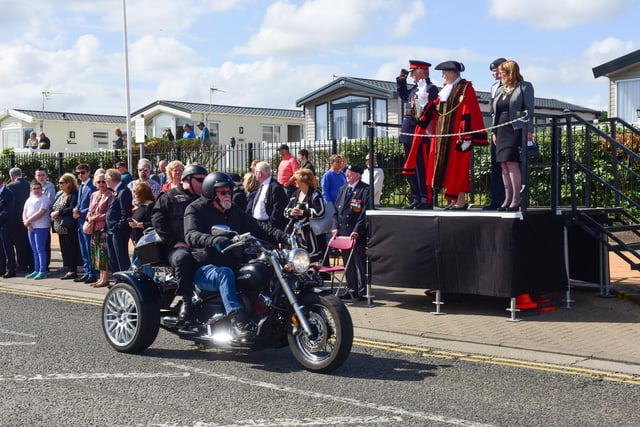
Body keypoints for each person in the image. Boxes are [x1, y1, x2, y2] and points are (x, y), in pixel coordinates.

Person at [184, 172, 288, 343]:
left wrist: (283, 236)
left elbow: (258, 226)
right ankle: (238, 321)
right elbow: (191, 235)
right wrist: (213, 239)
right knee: (224, 273)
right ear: (211, 193)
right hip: (204, 267)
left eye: (229, 192)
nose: (228, 196)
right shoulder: (195, 209)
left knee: (262, 269)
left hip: (233, 263)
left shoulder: (233, 211)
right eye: (222, 192)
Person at [151, 164, 208, 326]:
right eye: (200, 180)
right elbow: (157, 220)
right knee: (183, 259)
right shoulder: (169, 196)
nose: (203, 184)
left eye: (205, 180)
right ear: (187, 179)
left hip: (201, 245)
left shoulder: (204, 200)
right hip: (177, 247)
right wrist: (174, 242)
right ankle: (187, 302)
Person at [429, 61, 488, 210]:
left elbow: (469, 111)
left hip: (459, 137)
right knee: (448, 169)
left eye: (444, 72)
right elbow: (437, 109)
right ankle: (452, 201)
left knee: (459, 170)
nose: (442, 75)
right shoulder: (447, 89)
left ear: (452, 73)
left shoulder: (465, 88)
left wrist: (467, 136)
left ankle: (460, 202)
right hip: (445, 137)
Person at [492, 60, 535, 212]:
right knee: (503, 164)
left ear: (511, 72)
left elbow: (529, 110)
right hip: (501, 129)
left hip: (515, 129)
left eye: (503, 72)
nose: (501, 75)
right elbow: (495, 112)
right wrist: (494, 131)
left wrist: (529, 131)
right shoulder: (500, 90)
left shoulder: (524, 87)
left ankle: (516, 198)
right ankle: (507, 198)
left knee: (512, 163)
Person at [397, 60, 439, 209]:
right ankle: (415, 197)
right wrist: (401, 81)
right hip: (409, 131)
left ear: (422, 71)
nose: (412, 75)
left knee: (422, 167)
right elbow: (403, 96)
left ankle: (425, 198)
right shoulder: (415, 88)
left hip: (420, 132)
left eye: (414, 72)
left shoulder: (431, 88)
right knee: (411, 168)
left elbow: (431, 110)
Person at [332, 164, 370, 301]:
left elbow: (364, 213)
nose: (347, 175)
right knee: (347, 263)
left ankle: (362, 291)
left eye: (350, 172)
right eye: (346, 172)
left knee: (359, 262)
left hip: (356, 233)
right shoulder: (343, 189)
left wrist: (356, 231)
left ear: (358, 175)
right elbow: (336, 211)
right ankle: (351, 289)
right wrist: (335, 227)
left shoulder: (365, 190)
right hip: (343, 231)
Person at [284, 168, 327, 261]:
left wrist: (303, 212)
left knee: (313, 261)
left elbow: (320, 212)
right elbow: (286, 210)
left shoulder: (315, 194)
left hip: (312, 234)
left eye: (297, 180)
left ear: (303, 182)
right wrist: (291, 212)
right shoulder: (295, 193)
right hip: (296, 234)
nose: (295, 182)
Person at [483, 57, 508, 211]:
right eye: (493, 71)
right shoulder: (494, 87)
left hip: (508, 131)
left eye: (496, 70)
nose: (494, 73)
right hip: (496, 129)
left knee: (510, 167)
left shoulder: (514, 85)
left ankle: (511, 199)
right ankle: (497, 199)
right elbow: (493, 111)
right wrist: (493, 130)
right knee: (496, 167)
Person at [84, 169, 113, 288]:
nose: (101, 184)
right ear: (95, 183)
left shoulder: (110, 195)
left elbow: (109, 213)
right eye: (99, 182)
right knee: (96, 254)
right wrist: (89, 218)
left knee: (103, 254)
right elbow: (89, 209)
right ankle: (101, 277)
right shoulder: (94, 195)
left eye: (103, 181)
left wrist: (95, 218)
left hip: (103, 228)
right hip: (93, 228)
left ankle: (105, 278)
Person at [51, 173, 81, 280]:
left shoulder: (73, 194)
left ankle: (72, 270)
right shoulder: (61, 194)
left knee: (71, 248)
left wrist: (59, 212)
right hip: (60, 227)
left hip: (68, 227)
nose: (59, 185)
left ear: (69, 183)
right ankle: (68, 268)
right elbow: (53, 206)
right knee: (65, 249)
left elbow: (71, 208)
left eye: (61, 183)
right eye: (59, 183)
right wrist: (53, 212)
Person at [73, 163, 97, 283]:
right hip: (80, 221)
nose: (80, 175)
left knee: (88, 248)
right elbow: (79, 202)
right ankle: (87, 271)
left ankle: (92, 272)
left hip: (87, 220)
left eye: (83, 172)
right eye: (78, 173)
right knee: (83, 248)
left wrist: (80, 212)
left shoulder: (92, 186)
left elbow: (91, 206)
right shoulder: (81, 186)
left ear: (88, 173)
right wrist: (76, 209)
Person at [22, 181, 51, 280]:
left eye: (38, 188)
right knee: (34, 249)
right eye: (34, 189)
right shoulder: (29, 199)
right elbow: (24, 212)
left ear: (41, 189)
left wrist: (28, 221)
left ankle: (42, 271)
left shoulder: (44, 199)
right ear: (31, 189)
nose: (36, 190)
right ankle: (36, 269)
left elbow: (41, 213)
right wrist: (27, 222)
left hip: (42, 226)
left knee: (40, 248)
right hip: (30, 226)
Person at [105, 168, 132, 273]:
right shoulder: (115, 191)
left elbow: (125, 213)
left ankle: (125, 280)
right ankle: (118, 279)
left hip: (119, 231)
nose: (105, 180)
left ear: (111, 179)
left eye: (106, 178)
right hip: (111, 230)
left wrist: (117, 227)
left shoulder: (123, 191)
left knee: (121, 258)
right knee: (113, 258)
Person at [7, 167, 32, 273]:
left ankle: (22, 265)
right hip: (29, 217)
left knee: (19, 243)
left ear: (11, 176)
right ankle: (32, 264)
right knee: (29, 242)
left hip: (16, 219)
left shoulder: (10, 186)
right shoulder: (30, 185)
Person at [252, 161, 288, 231]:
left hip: (268, 227)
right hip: (258, 224)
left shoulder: (275, 187)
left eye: (255, 172)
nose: (254, 174)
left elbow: (278, 209)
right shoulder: (262, 185)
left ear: (259, 173)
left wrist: (270, 226)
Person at [128, 181, 156, 275]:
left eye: (135, 191)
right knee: (137, 266)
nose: (134, 194)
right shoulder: (140, 206)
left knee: (145, 265)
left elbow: (152, 224)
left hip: (146, 242)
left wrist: (138, 224)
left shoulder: (150, 206)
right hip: (138, 240)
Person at [34, 167, 55, 271]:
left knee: (45, 243)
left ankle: (45, 265)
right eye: (39, 175)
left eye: (43, 175)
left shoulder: (49, 187)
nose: (41, 177)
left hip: (44, 218)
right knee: (37, 245)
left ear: (46, 176)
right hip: (35, 220)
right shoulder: (34, 187)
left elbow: (50, 203)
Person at [0, 175, 16, 278]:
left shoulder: (8, 193)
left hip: (5, 225)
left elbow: (7, 211)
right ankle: (1, 268)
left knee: (7, 248)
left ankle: (11, 269)